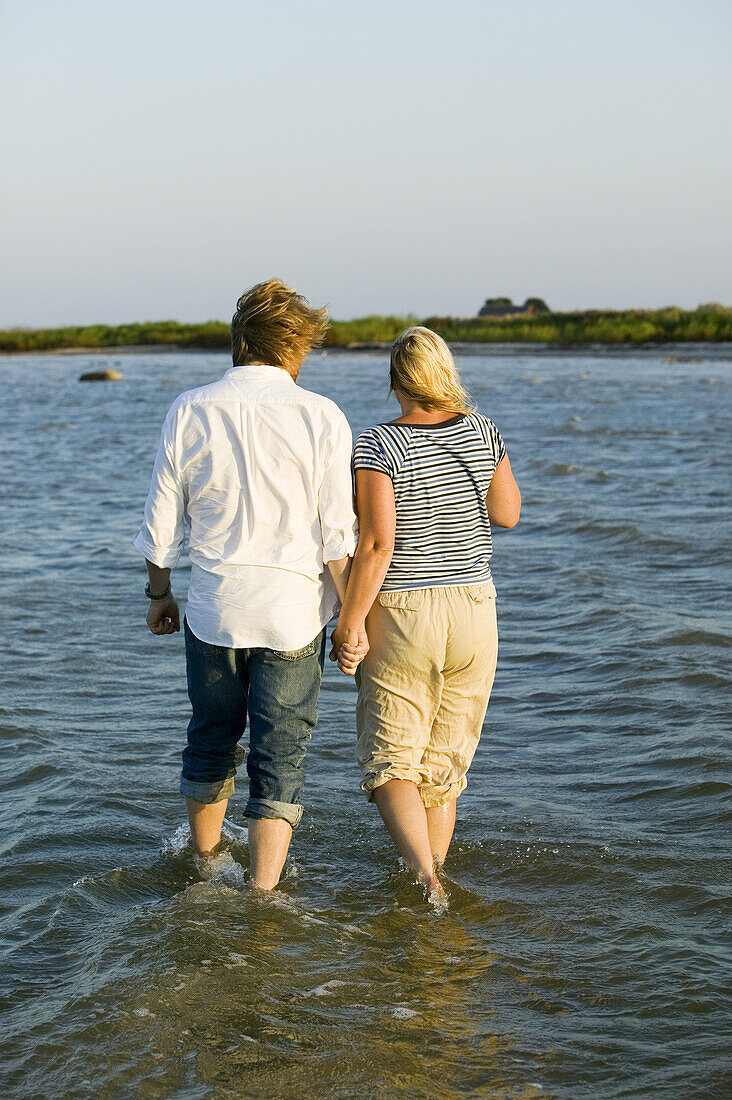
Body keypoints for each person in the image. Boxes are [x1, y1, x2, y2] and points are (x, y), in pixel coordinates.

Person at [134, 279, 365, 890]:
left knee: (211, 739)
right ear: (295, 348)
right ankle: (264, 895)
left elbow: (162, 522)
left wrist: (160, 593)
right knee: (278, 758)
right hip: (292, 615)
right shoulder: (322, 416)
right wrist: (353, 619)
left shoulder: (189, 408)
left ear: (240, 341)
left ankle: (205, 870)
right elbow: (337, 537)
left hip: (214, 612)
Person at [331, 327, 521, 897]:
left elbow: (376, 545)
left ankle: (423, 876)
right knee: (443, 765)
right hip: (474, 608)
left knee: (392, 759)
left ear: (395, 383)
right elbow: (508, 513)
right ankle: (436, 882)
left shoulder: (378, 444)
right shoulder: (483, 430)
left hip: (406, 609)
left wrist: (349, 624)